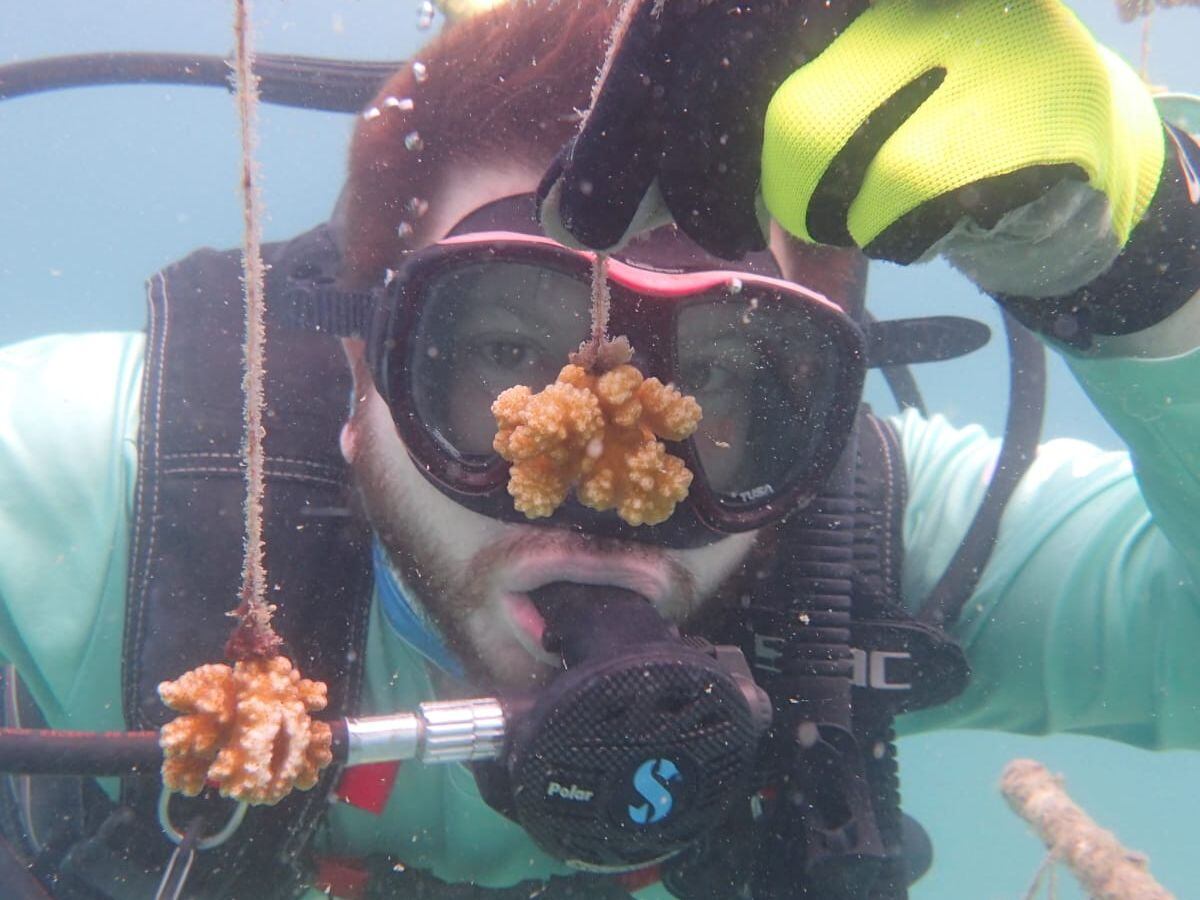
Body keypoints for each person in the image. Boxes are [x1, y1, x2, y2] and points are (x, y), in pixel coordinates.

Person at [0, 0, 1197, 898]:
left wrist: (1152, 279)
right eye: (505, 353)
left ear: (816, 413)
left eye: (718, 376)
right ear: (361, 363)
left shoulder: (869, 553)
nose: (609, 497)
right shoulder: (119, 486)